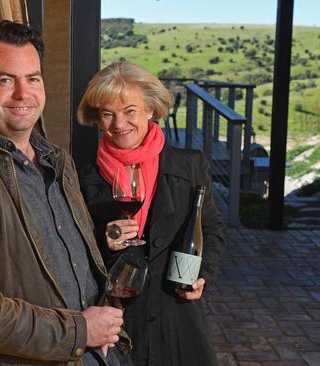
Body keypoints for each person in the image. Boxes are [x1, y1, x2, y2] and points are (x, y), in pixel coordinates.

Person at [0, 19, 128, 366]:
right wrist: (80, 330)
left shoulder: (57, 159)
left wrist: (108, 307)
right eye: (5, 80)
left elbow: (76, 258)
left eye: (32, 78)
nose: (24, 94)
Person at [77, 61, 226, 366]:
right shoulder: (83, 176)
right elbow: (73, 248)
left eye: (130, 110)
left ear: (151, 109)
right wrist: (102, 240)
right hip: (118, 323)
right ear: (97, 119)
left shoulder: (190, 166)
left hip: (177, 316)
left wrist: (203, 275)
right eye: (108, 113)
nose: (119, 124)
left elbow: (210, 229)